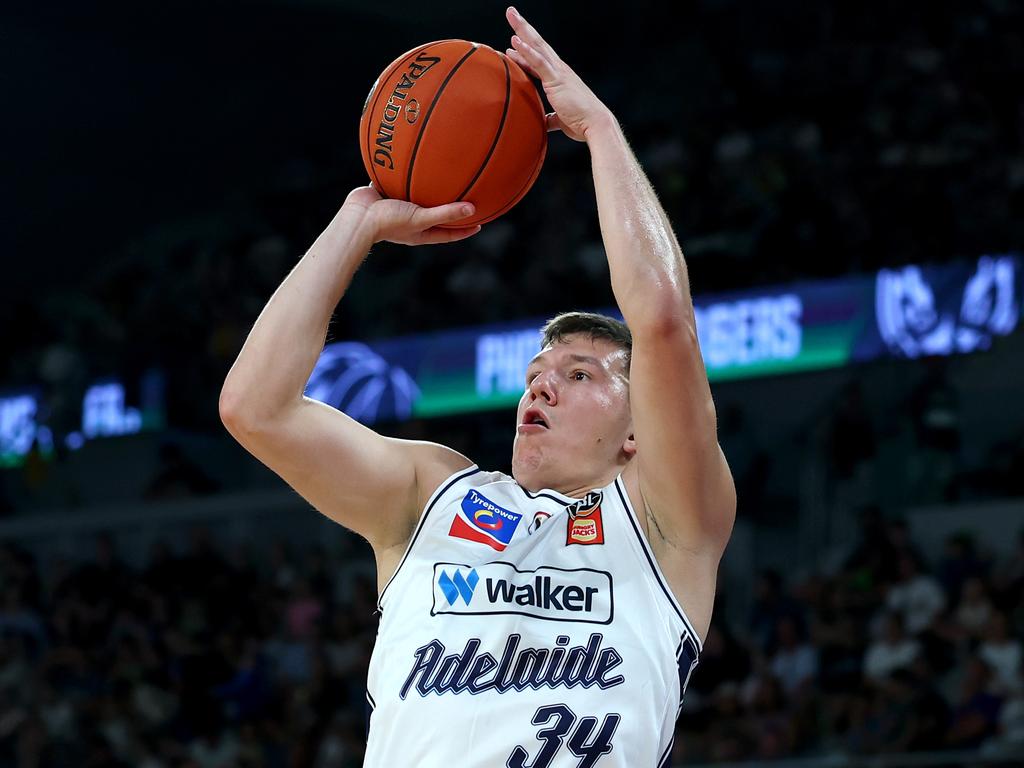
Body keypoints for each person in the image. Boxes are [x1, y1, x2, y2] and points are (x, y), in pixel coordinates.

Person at [219, 7, 735, 767]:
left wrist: (601, 133)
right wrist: (355, 222)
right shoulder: (434, 490)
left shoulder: (670, 525)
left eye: (579, 374)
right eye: (536, 376)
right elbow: (253, 408)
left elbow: (661, 318)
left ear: (636, 432)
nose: (541, 389)